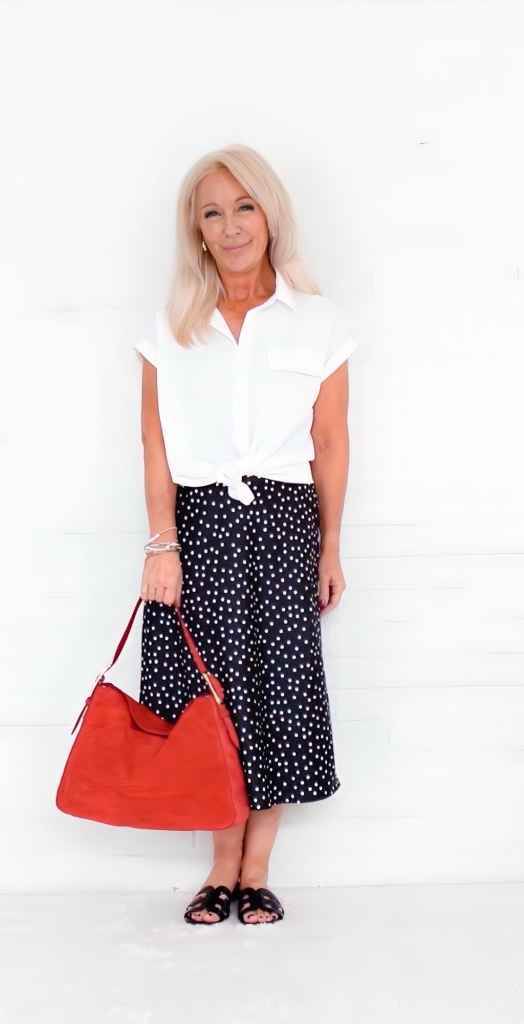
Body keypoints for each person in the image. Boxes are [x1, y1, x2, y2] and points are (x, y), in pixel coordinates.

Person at [133, 144, 358, 925]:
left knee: (277, 694)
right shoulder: (172, 324)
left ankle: (257, 868)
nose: (230, 226)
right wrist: (161, 543)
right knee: (208, 698)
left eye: (243, 207)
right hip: (199, 525)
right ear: (195, 231)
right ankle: (218, 867)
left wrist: (328, 548)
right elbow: (154, 439)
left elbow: (330, 441)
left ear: (268, 215)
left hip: (285, 523)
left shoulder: (319, 321)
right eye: (211, 212)